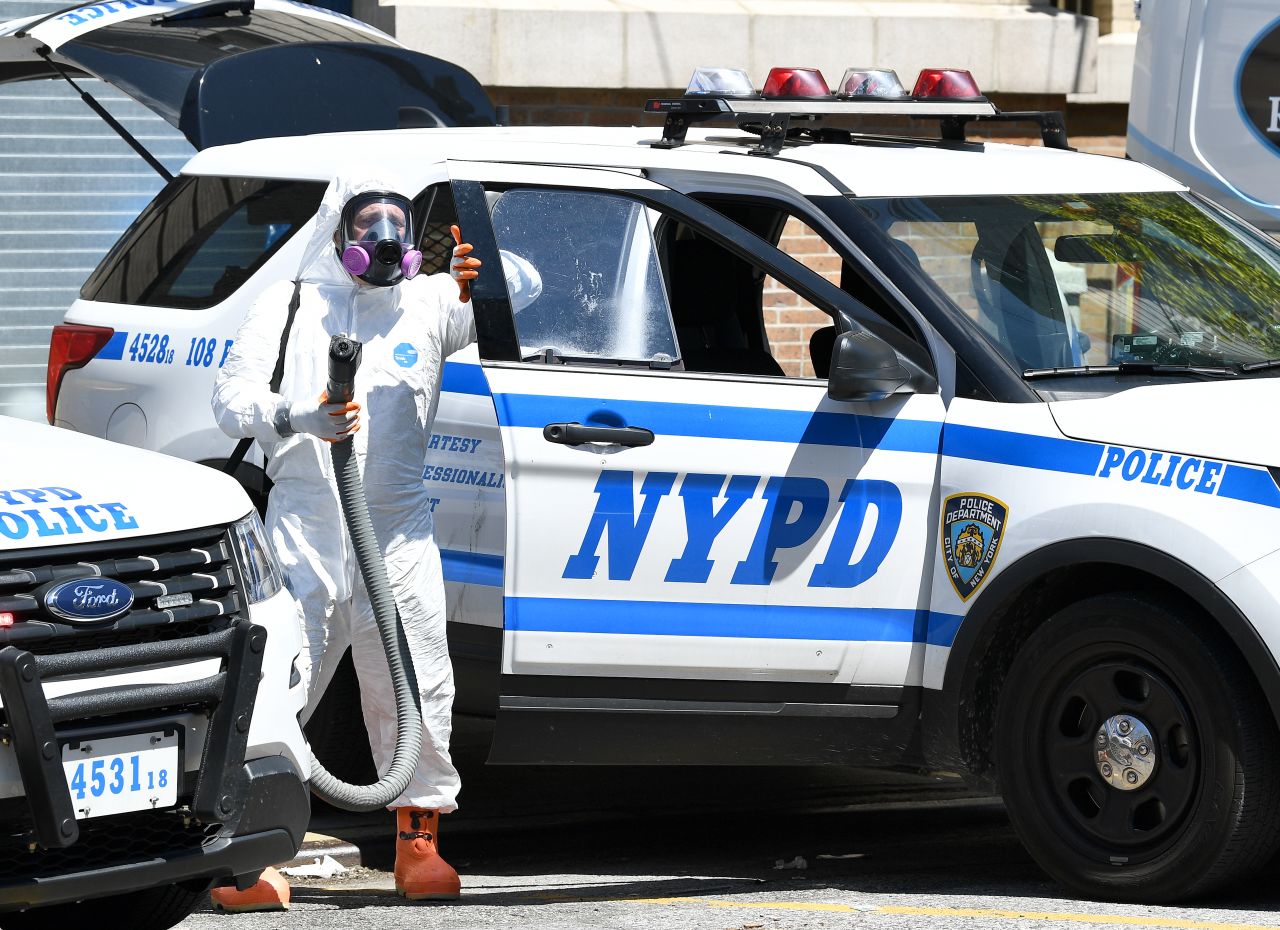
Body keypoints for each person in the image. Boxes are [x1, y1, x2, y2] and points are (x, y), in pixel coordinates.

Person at [208, 177, 488, 911]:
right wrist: (300, 414)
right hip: (307, 524)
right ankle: (249, 855)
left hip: (395, 527)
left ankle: (419, 843)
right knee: (278, 680)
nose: (385, 236)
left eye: (397, 222)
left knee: (418, 678)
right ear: (339, 235)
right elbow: (230, 401)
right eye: (369, 223)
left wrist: (471, 283)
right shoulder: (292, 304)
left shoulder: (426, 301)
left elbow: (483, 314)